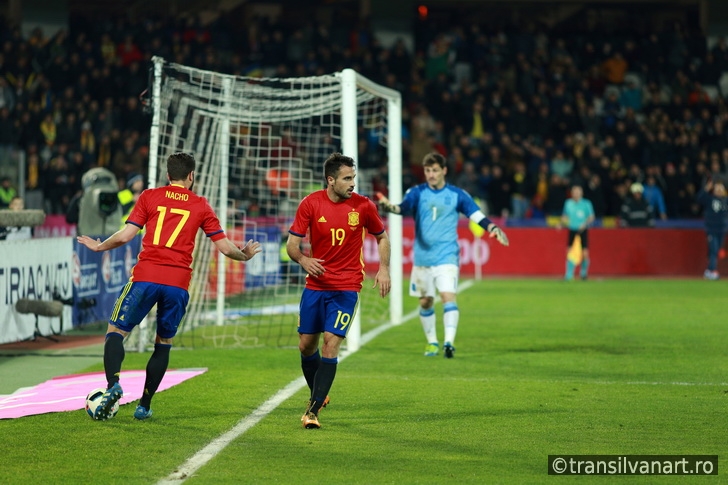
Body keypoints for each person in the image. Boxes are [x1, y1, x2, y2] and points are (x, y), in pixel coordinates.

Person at [77, 152, 262, 421]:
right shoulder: (201, 205)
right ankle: (144, 405)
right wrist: (244, 254)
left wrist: (99, 245)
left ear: (167, 175)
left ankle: (113, 385)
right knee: (163, 342)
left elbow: (126, 236)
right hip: (177, 284)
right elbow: (224, 247)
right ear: (191, 176)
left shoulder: (149, 196)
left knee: (116, 330)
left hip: (145, 277)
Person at [287, 152, 391, 429]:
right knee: (306, 345)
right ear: (330, 180)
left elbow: (382, 237)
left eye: (353, 178)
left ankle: (312, 411)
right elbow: (292, 245)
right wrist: (303, 259)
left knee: (331, 343)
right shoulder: (310, 204)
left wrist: (383, 268)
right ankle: (319, 393)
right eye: (347, 178)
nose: (352, 183)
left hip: (346, 287)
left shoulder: (363, 206)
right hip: (315, 286)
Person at [376, 152, 509, 359]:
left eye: (435, 170)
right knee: (425, 302)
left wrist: (493, 227)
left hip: (447, 256)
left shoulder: (457, 194)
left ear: (444, 171)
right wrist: (389, 206)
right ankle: (432, 343)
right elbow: (402, 209)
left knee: (448, 296)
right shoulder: (417, 192)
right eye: (428, 171)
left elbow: (476, 215)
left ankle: (449, 342)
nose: (431, 174)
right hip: (422, 258)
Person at [561, 185, 595, 281]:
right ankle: (569, 274)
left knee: (584, 253)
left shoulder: (586, 203)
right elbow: (565, 216)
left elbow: (591, 217)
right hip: (572, 229)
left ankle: (583, 273)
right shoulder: (568, 203)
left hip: (583, 230)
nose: (576, 194)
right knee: (569, 252)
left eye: (577, 192)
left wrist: (584, 224)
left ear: (581, 193)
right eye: (574, 192)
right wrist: (562, 222)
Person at [696, 178, 728, 280]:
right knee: (713, 249)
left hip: (722, 229)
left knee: (716, 250)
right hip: (711, 229)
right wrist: (706, 189)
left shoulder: (726, 200)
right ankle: (713, 270)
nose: (719, 190)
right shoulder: (709, 199)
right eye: (717, 188)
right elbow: (699, 198)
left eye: (720, 188)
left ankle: (709, 270)